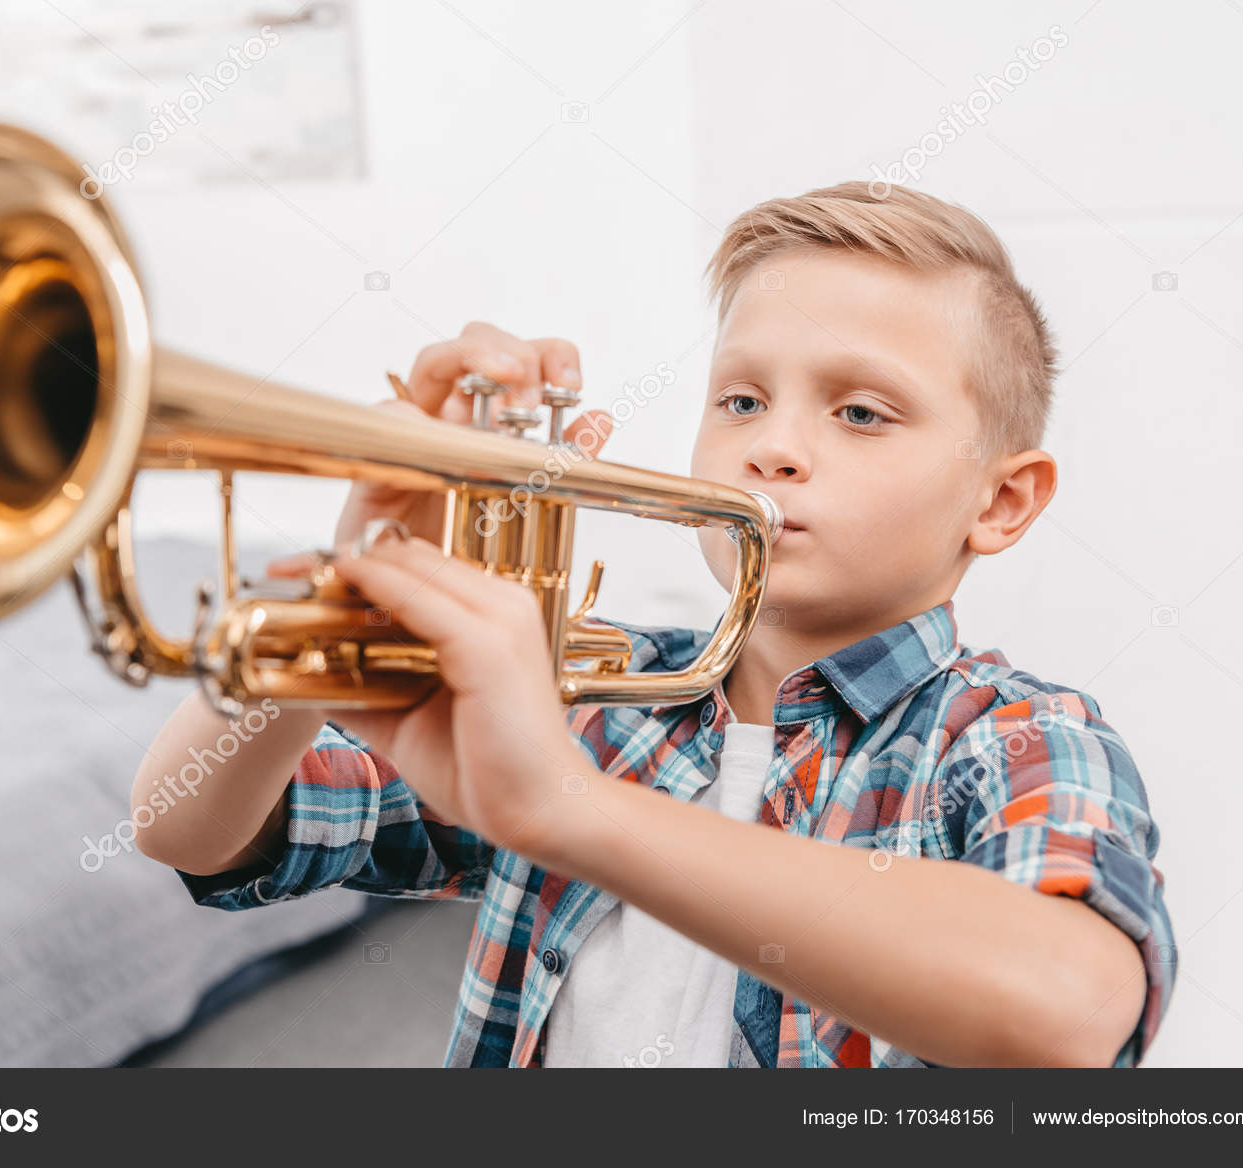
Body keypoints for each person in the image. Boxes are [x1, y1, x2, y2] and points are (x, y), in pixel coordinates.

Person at [130, 182, 1175, 1068]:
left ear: (1000, 502)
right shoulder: (584, 697)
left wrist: (567, 806)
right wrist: (338, 618)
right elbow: (188, 829)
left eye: (859, 411)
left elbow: (1069, 1010)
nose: (772, 449)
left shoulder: (1012, 739)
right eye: (740, 400)